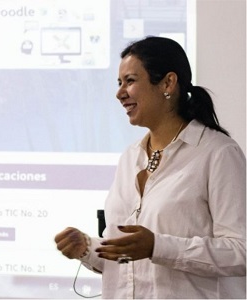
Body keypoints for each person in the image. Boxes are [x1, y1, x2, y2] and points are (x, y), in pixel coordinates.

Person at [54, 36, 246, 298]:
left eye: (130, 81)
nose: (120, 93)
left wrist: (158, 246)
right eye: (119, 83)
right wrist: (87, 249)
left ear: (168, 83)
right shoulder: (129, 158)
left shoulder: (218, 153)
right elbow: (130, 264)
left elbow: (240, 251)